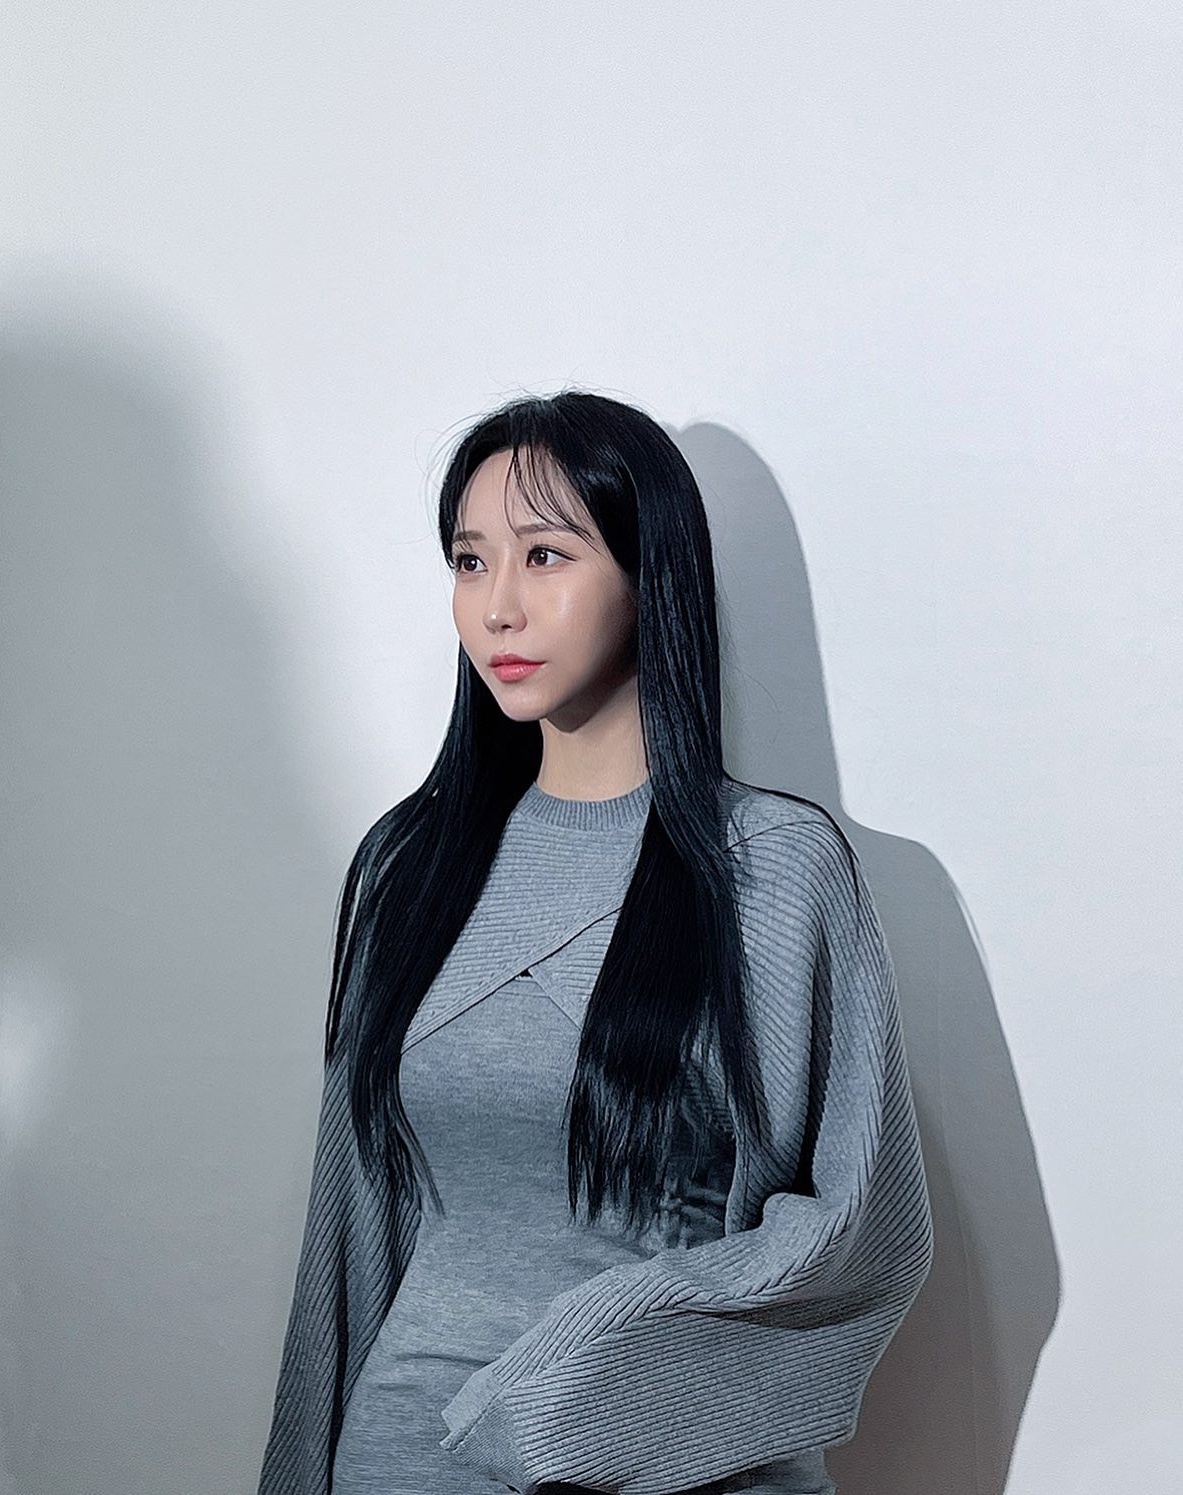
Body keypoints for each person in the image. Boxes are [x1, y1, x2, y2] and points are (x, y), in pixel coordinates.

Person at [257, 390, 934, 1495]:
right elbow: (351, 1228)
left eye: (545, 555)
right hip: (407, 1456)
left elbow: (865, 1234)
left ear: (647, 572)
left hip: (668, 1464)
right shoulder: (409, 864)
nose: (498, 608)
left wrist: (570, 1370)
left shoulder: (773, 868)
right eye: (469, 562)